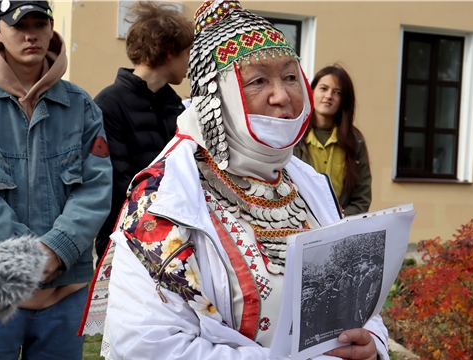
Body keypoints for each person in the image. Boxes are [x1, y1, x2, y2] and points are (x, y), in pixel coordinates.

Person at [82, 1, 389, 359]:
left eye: (291, 77)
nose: (283, 96)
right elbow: (146, 344)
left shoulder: (312, 186)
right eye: (258, 80)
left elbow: (358, 300)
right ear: (218, 97)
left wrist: (371, 342)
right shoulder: (162, 199)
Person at [0, 1, 112, 359]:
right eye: (19, 25)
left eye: (40, 23)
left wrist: (57, 250)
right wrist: (29, 257)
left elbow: (95, 188)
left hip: (66, 292)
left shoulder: (82, 106)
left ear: (51, 28)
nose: (32, 34)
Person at [93, 1, 194, 263]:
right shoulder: (109, 104)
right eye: (187, 52)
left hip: (176, 240)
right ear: (170, 51)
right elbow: (115, 184)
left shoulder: (175, 106)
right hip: (125, 244)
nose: (190, 61)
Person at [294, 64, 372, 216]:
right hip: (301, 225)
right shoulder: (294, 136)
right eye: (323, 88)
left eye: (337, 92)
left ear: (344, 100)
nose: (329, 96)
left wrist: (340, 221)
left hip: (341, 227)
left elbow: (362, 198)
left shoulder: (355, 141)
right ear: (311, 91)